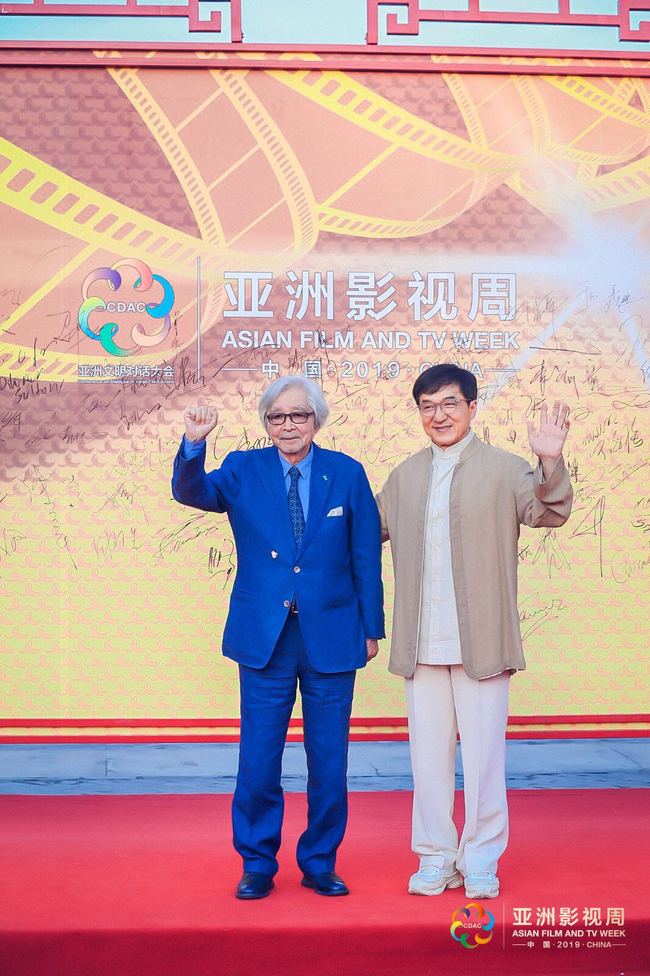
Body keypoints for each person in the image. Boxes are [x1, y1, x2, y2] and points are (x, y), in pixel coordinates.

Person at [172, 376, 384, 900]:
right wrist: (194, 446)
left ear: (317, 420)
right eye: (278, 417)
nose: (289, 426)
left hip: (333, 636)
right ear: (266, 423)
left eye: (300, 416)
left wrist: (372, 627)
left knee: (329, 759)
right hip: (264, 637)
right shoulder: (243, 470)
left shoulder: (347, 473)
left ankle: (319, 861)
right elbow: (191, 492)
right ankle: (258, 863)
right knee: (259, 757)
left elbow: (366, 555)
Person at [376, 363, 572, 900]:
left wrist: (549, 461)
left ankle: (481, 857)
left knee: (485, 759)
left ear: (471, 407)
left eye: (449, 404)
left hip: (483, 639)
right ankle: (436, 856)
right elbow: (365, 531)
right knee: (427, 759)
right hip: (421, 642)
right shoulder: (405, 476)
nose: (438, 415)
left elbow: (549, 512)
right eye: (427, 406)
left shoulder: (507, 470)